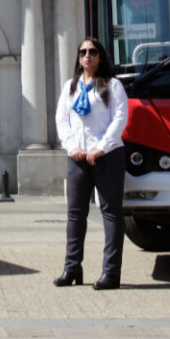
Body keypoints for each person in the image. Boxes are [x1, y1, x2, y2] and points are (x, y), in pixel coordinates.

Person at [53, 37, 128, 290]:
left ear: (100, 56)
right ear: (78, 57)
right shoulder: (70, 86)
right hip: (78, 157)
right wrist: (72, 146)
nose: (87, 56)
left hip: (107, 156)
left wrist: (101, 148)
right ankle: (72, 268)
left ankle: (111, 272)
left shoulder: (112, 85)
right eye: (83, 51)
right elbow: (62, 119)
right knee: (75, 215)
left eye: (92, 52)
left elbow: (119, 118)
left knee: (111, 212)